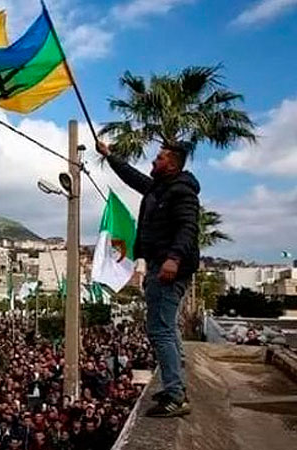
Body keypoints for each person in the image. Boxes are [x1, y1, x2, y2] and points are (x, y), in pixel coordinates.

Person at [97, 140, 199, 418]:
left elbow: (188, 227)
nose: (154, 161)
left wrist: (174, 258)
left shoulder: (181, 191)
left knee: (161, 330)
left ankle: (175, 396)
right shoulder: (159, 187)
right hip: (159, 264)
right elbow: (134, 178)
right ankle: (175, 387)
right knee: (167, 328)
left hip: (169, 268)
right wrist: (110, 156)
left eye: (160, 158)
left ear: (173, 164)